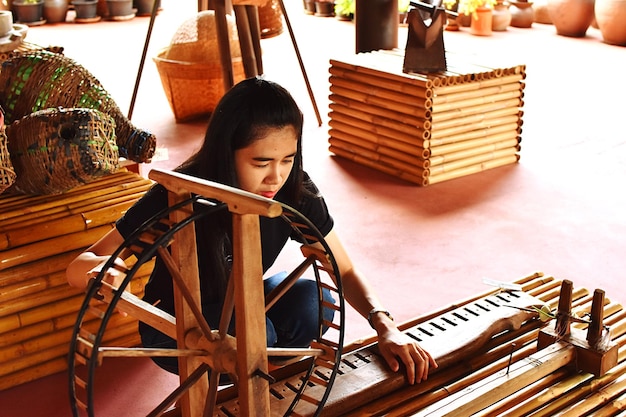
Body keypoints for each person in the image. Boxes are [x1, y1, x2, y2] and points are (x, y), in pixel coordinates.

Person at [66, 77, 437, 384]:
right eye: (261, 162)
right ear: (227, 154)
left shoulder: (294, 192)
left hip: (242, 309)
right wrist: (105, 271)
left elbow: (345, 269)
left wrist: (384, 325)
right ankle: (251, 366)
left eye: (287, 160)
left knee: (313, 300)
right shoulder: (179, 192)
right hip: (174, 324)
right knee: (258, 335)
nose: (276, 176)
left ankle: (259, 361)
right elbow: (82, 264)